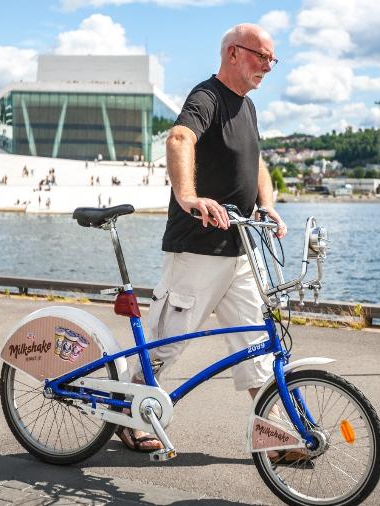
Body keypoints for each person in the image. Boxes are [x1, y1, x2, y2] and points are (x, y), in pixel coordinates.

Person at [116, 23, 287, 453]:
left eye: (272, 59)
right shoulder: (206, 97)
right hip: (198, 247)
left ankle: (274, 432)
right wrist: (188, 196)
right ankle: (128, 415)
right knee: (167, 342)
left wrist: (267, 204)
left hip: (240, 251)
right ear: (233, 53)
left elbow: (257, 163)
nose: (268, 66)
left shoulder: (247, 108)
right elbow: (179, 138)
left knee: (256, 350)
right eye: (261, 56)